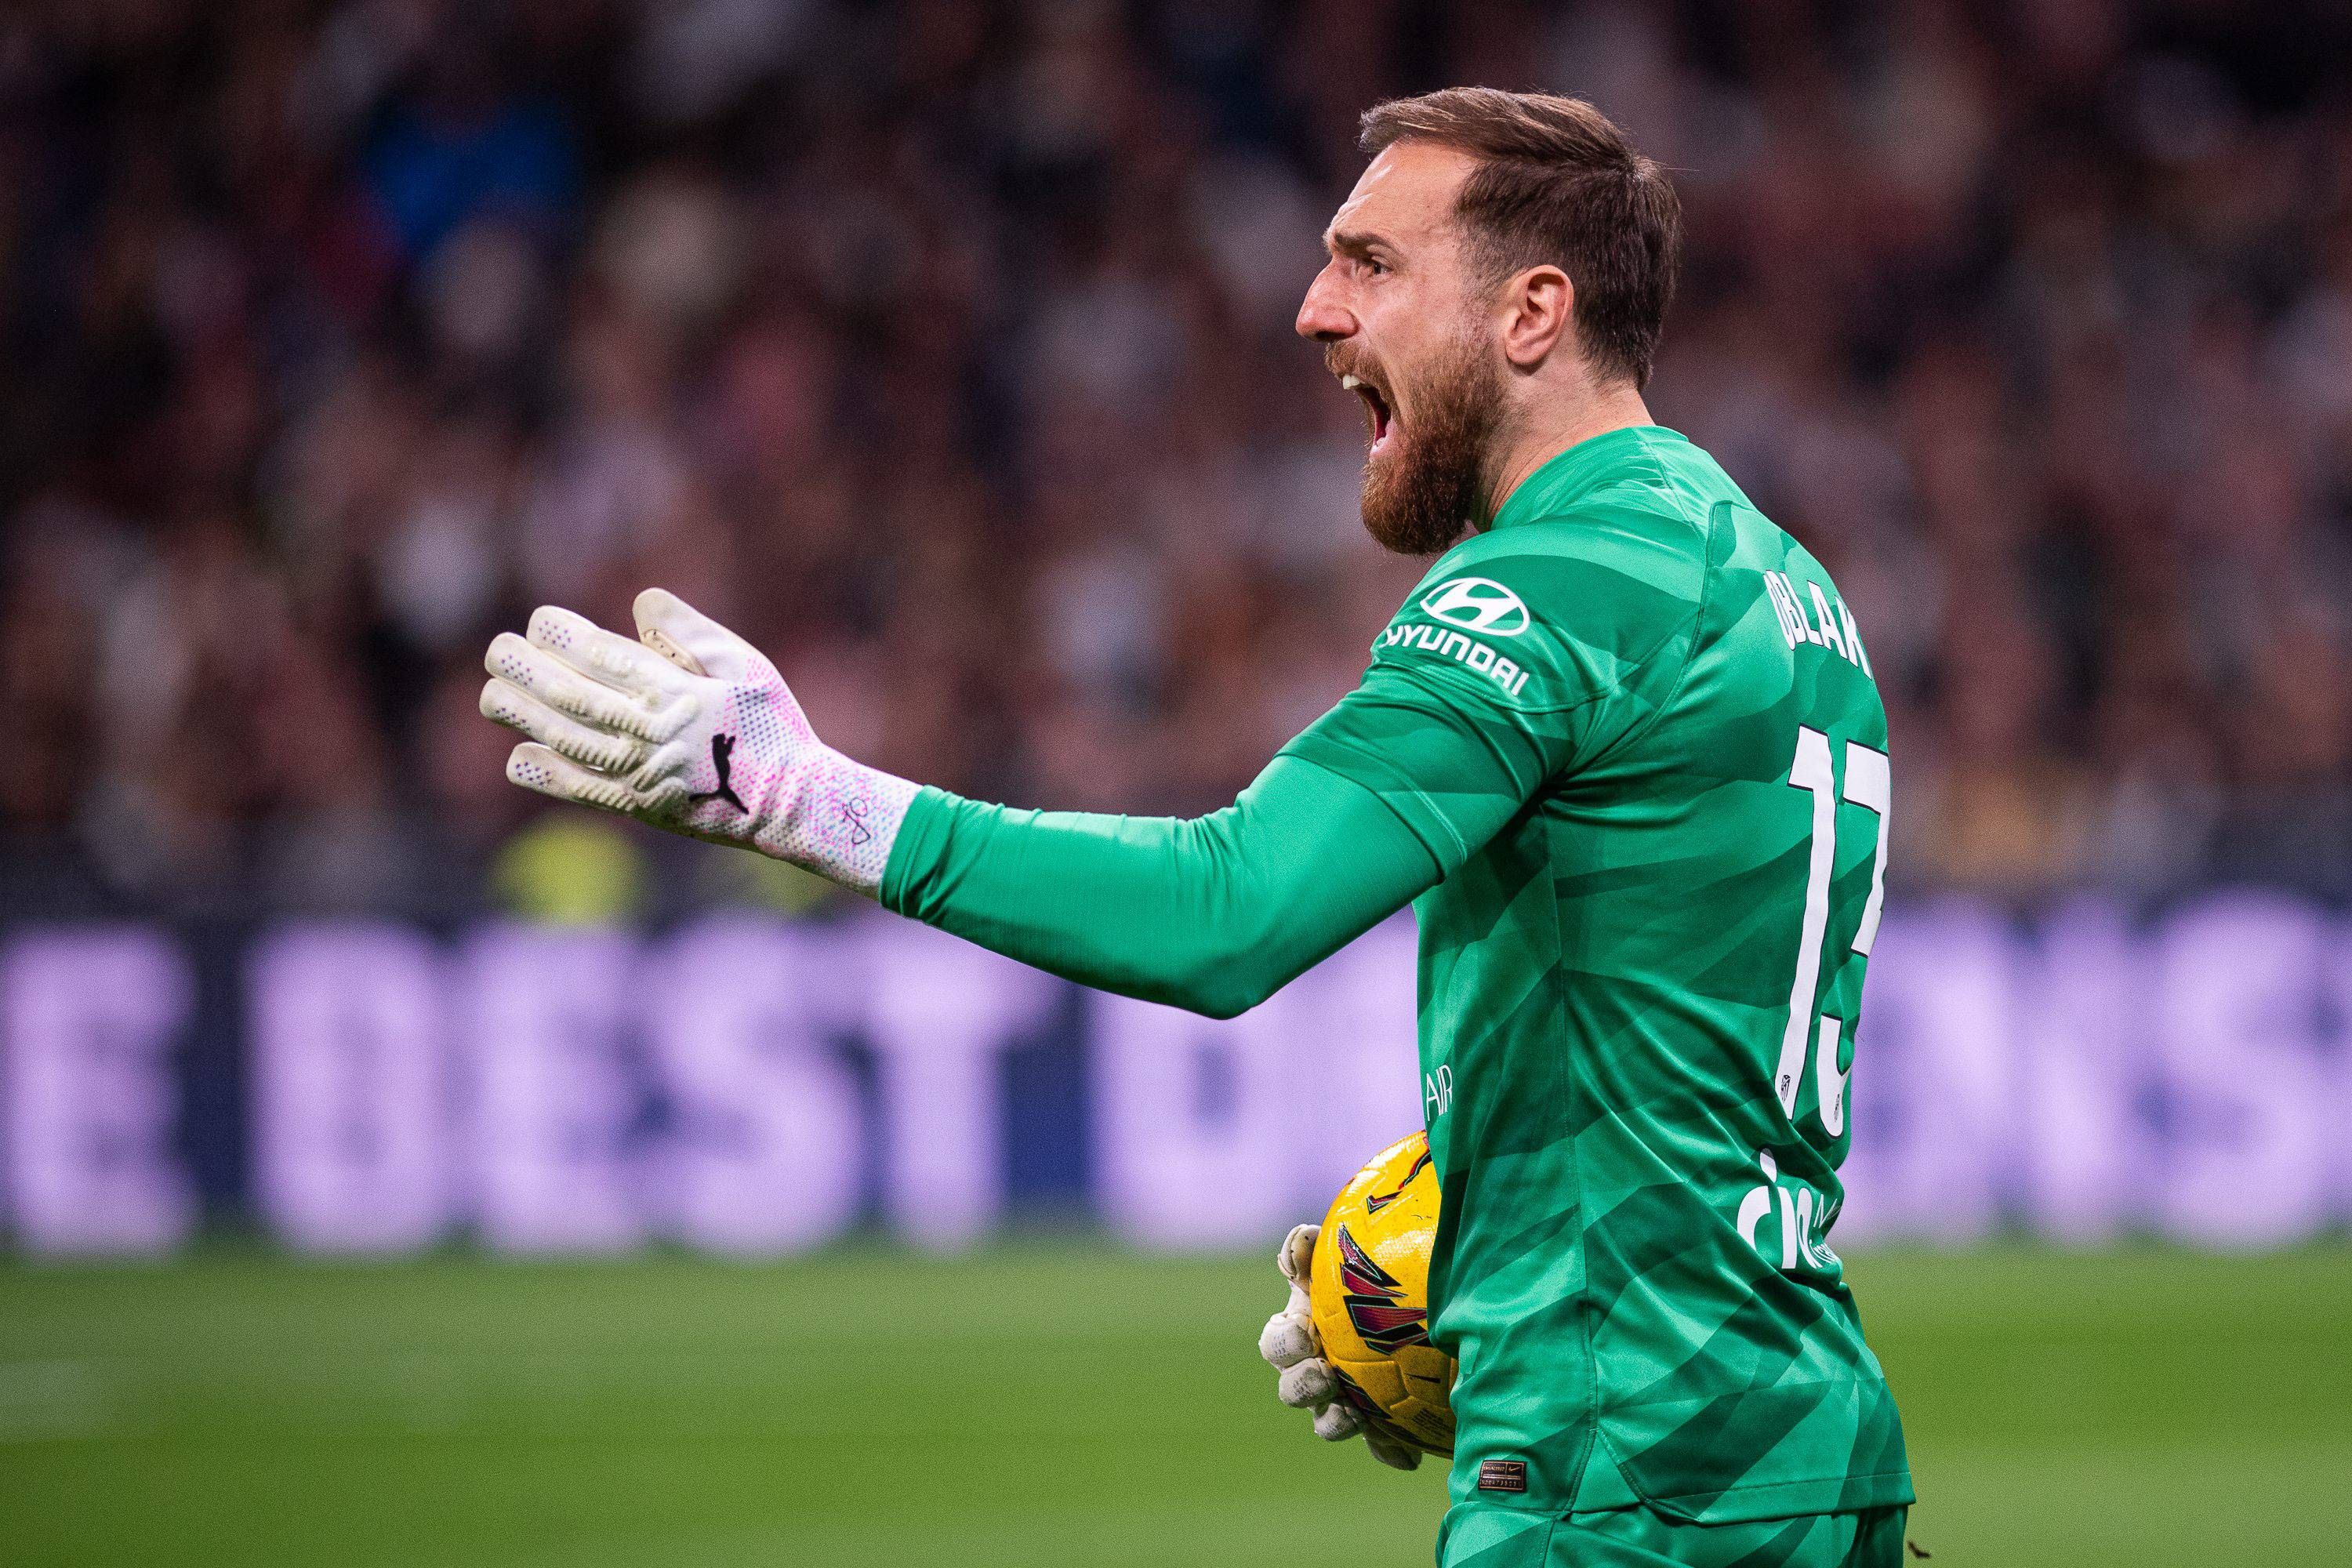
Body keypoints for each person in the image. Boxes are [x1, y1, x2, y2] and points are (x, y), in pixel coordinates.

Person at [480, 87, 1912, 1568]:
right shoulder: (1772, 573)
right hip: (1798, 1447)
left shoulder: (1555, 586)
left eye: (1370, 263)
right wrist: (1477, 1259)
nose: (1311, 310)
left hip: (1625, 1487)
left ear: (1532, 312)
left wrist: (803, 798)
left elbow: (1227, 913)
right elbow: (1675, 1012)